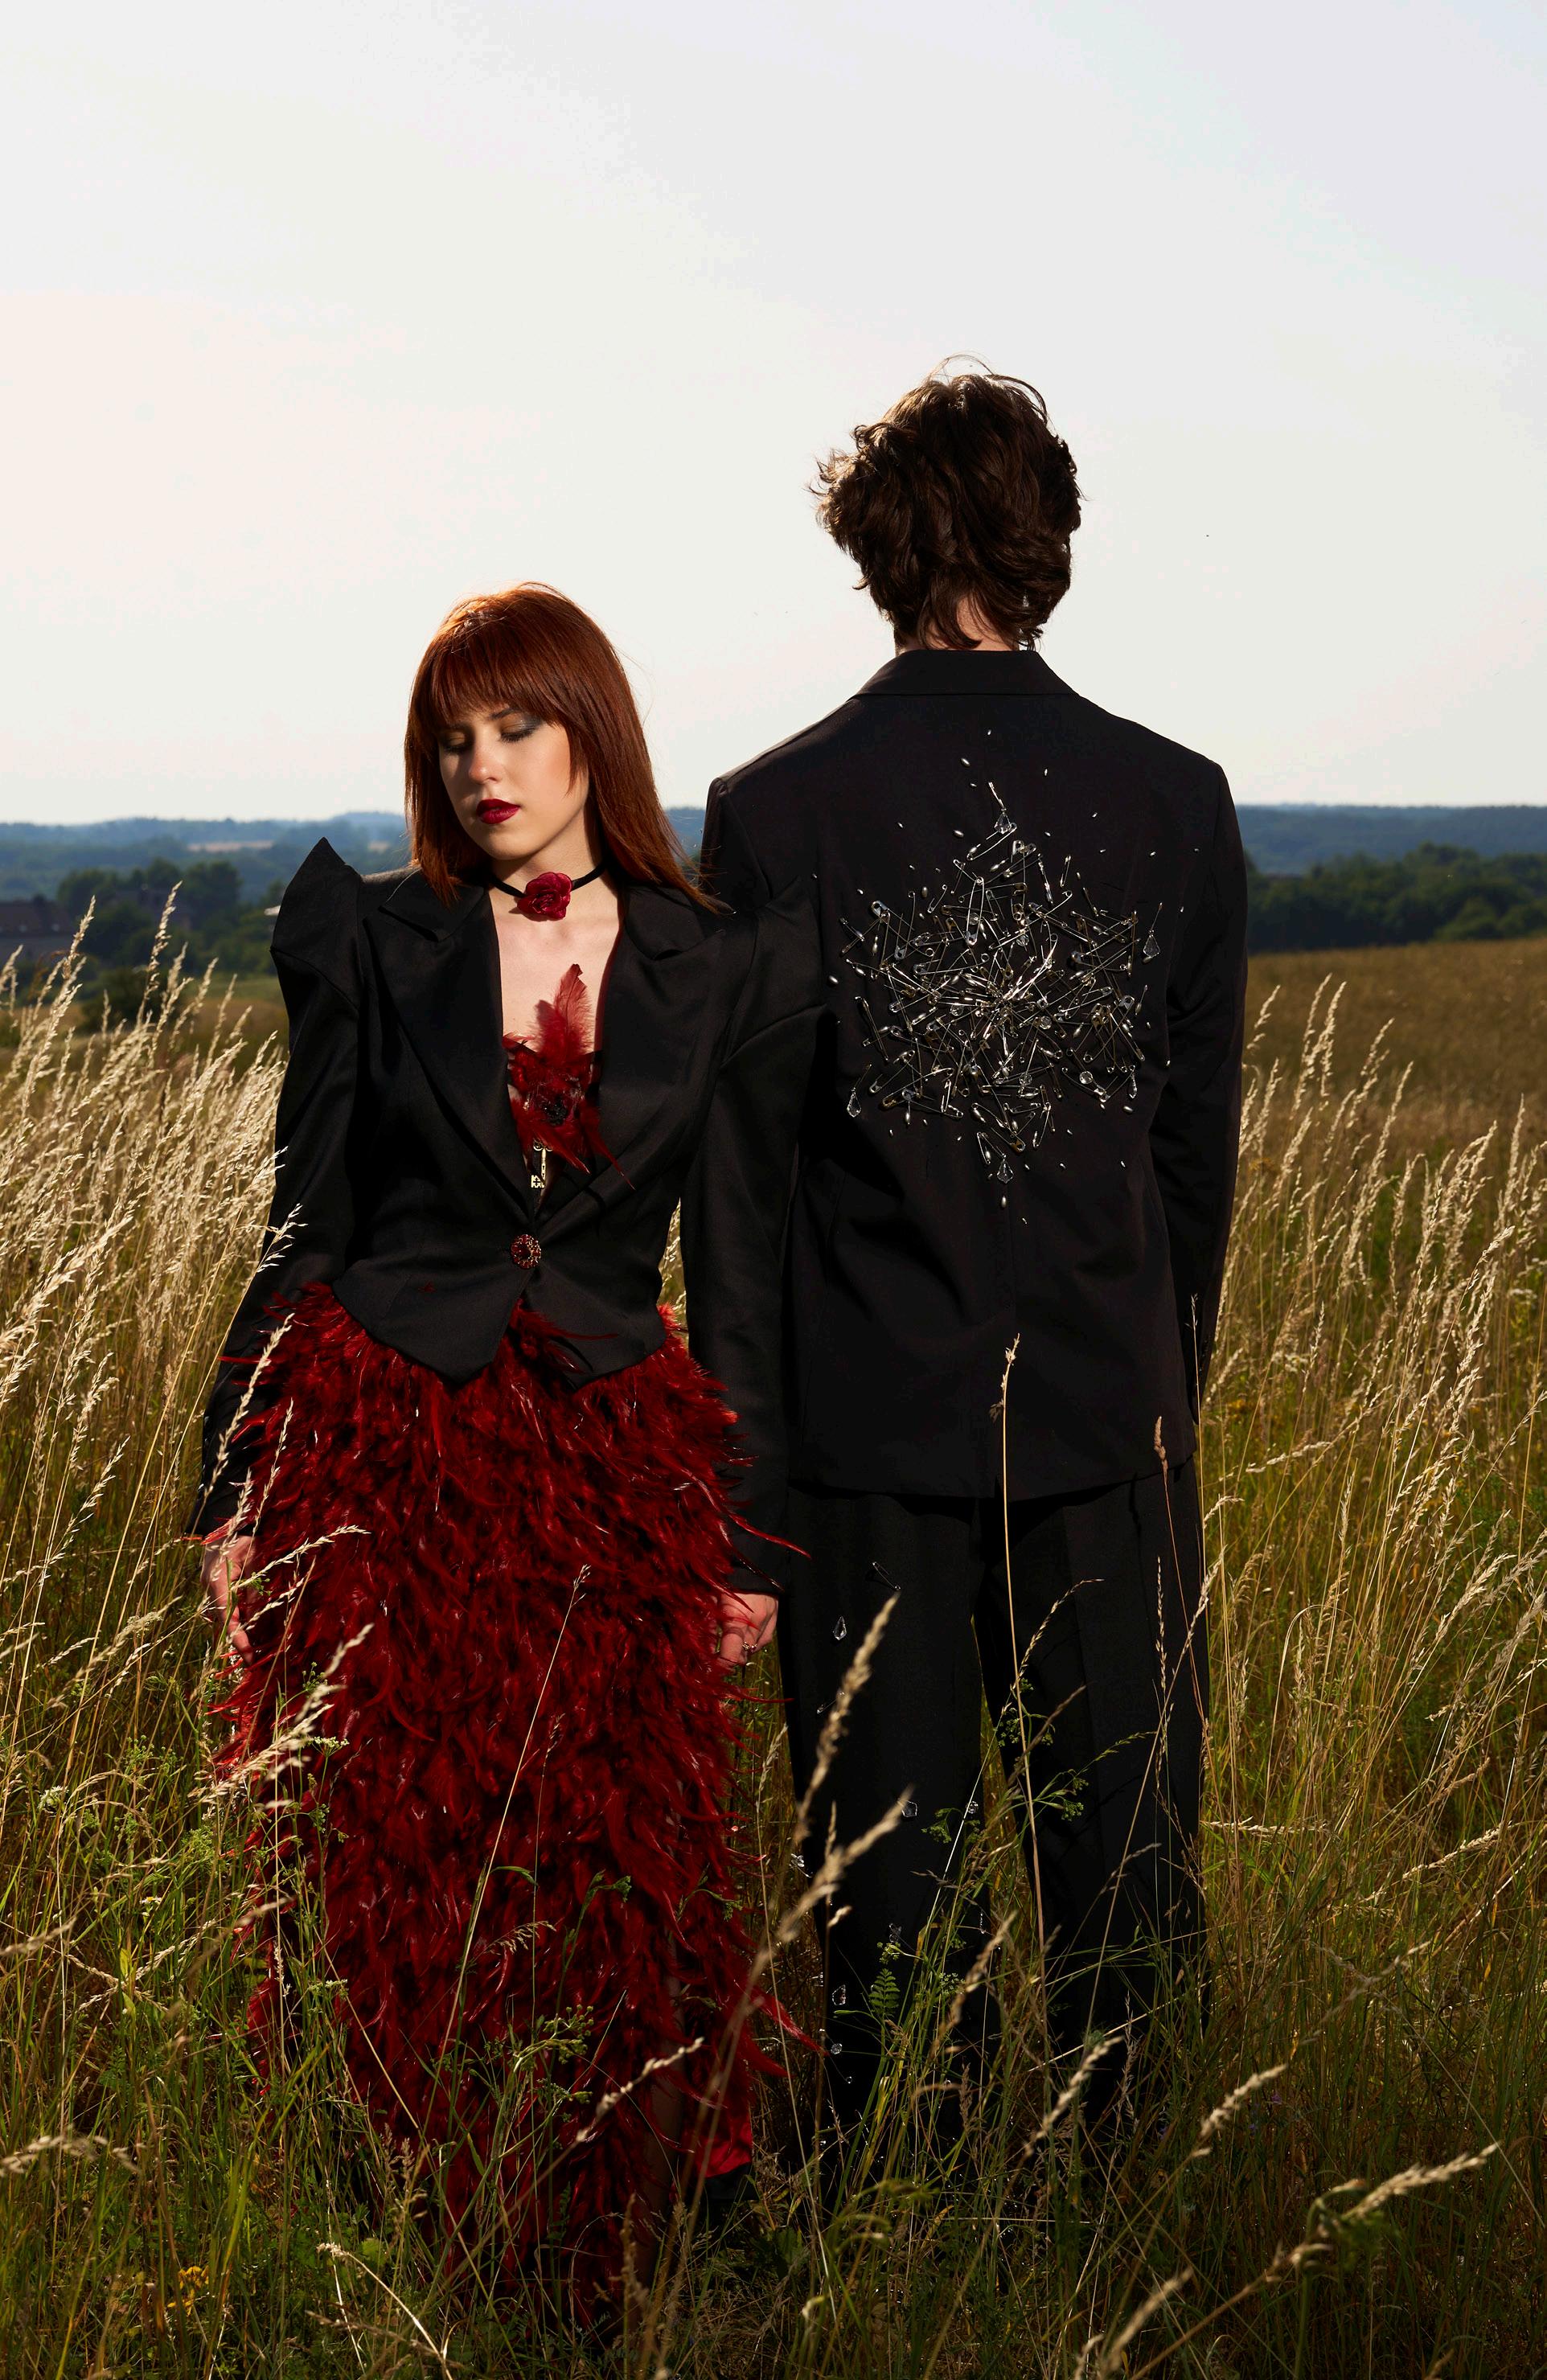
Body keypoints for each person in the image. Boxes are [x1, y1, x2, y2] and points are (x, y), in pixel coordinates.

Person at [195, 585, 819, 2296]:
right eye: (453, 739)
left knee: (616, 1857)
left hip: (615, 1473)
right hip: (378, 1444)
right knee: (390, 1853)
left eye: (517, 727)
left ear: (590, 731)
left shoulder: (721, 962)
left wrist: (747, 1543)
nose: (484, 768)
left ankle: (601, 2252)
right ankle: (397, 2235)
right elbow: (302, 1226)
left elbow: (741, 1278)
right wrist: (231, 1490)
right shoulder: (373, 940)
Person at [693, 367, 1247, 2148]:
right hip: (1107, 1435)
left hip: (860, 1454)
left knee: (890, 1922)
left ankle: (910, 2234)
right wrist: (1158, 1404)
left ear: (874, 547)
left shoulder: (774, 810)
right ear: (1047, 536)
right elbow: (1194, 1170)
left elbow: (740, 1198)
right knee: (1126, 1910)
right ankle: (1123, 2241)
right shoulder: (1178, 802)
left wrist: (742, 1505)